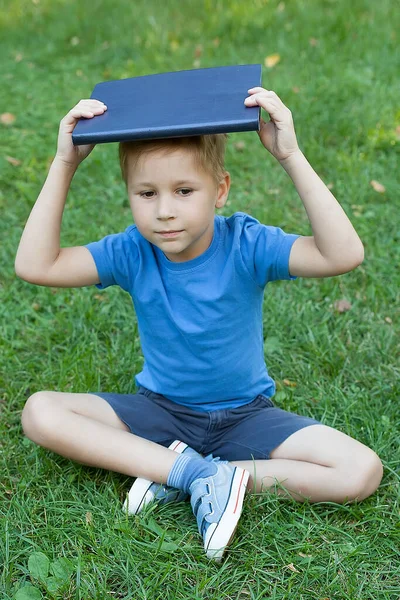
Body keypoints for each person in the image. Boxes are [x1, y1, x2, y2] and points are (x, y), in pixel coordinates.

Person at [15, 87, 383, 562]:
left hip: (246, 417)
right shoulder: (133, 251)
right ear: (129, 195)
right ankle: (189, 473)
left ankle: (196, 473)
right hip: (161, 414)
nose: (164, 210)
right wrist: (63, 165)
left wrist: (289, 154)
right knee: (40, 412)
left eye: (184, 192)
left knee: (361, 470)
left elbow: (343, 254)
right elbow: (36, 266)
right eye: (147, 194)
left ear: (221, 190)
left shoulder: (246, 244)